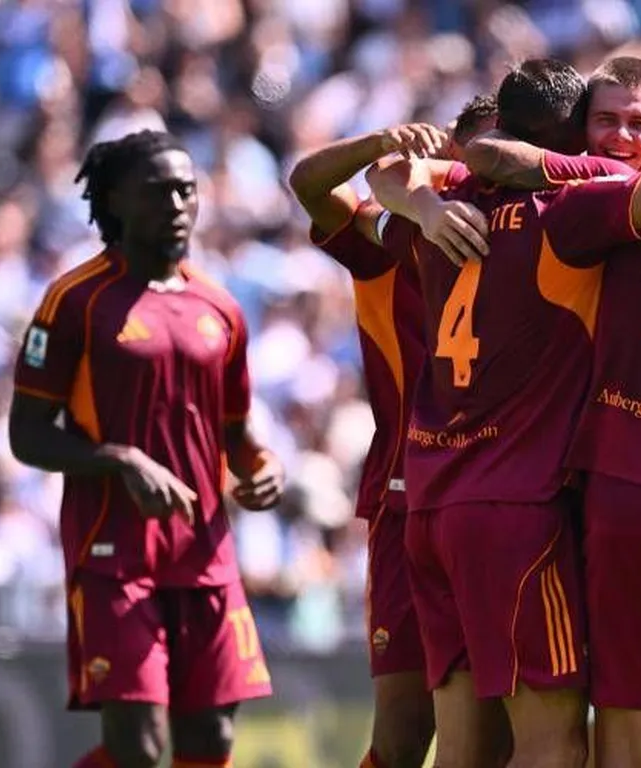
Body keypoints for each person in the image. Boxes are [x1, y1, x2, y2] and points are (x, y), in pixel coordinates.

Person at [366, 57, 641, 768]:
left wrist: (424, 208)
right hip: (519, 507)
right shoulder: (572, 210)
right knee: (556, 744)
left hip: (435, 501)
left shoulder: (451, 195)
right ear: (570, 138)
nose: (618, 139)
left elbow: (385, 172)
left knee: (468, 750)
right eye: (603, 122)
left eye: (635, 123)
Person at [9, 130, 284, 768]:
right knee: (140, 745)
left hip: (206, 553)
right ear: (114, 200)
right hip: (114, 552)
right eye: (159, 191)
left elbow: (236, 429)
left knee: (211, 740)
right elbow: (26, 433)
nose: (178, 204)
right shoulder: (75, 301)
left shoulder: (220, 307)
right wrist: (120, 459)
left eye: (187, 190)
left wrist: (263, 466)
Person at [290, 109, 493, 768]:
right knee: (404, 735)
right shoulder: (387, 239)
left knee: (507, 735)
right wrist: (380, 145)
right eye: (479, 154)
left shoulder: (544, 235)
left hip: (513, 500)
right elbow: (309, 185)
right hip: (407, 500)